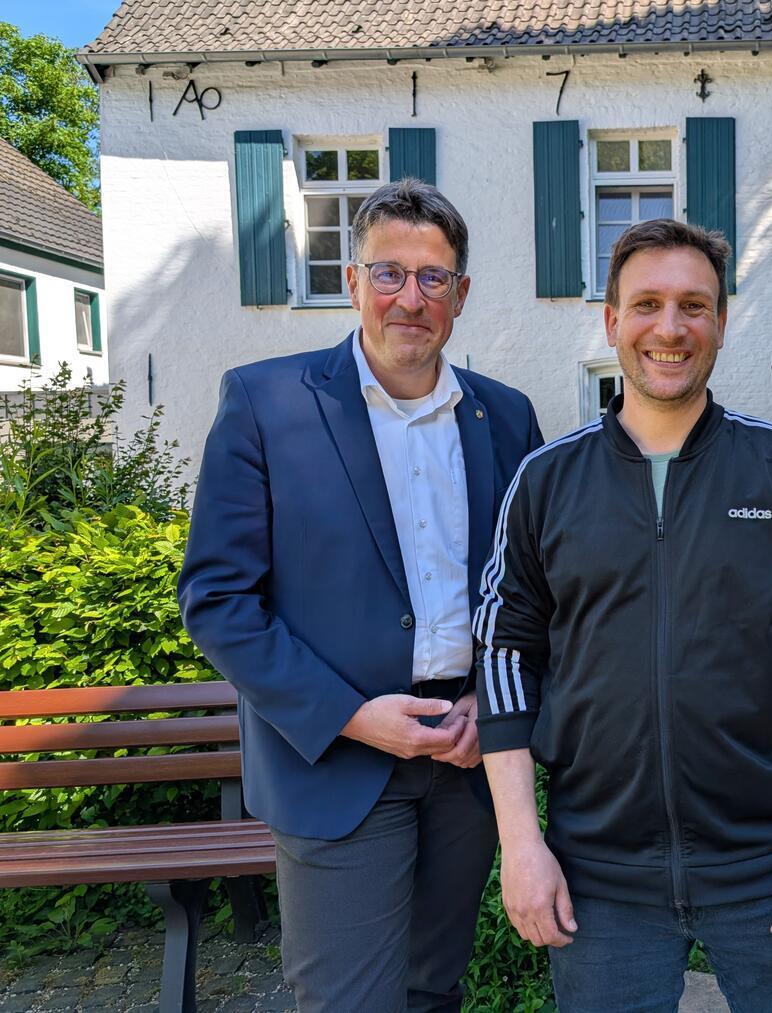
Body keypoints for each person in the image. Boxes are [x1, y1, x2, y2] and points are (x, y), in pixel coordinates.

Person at [472, 219, 772, 1011]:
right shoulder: (545, 480)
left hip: (770, 866)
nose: (670, 327)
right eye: (647, 303)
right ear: (612, 321)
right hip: (599, 876)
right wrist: (520, 845)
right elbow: (504, 653)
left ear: (722, 323)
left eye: (694, 305)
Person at [178, 178, 542, 1012]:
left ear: (461, 295)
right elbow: (219, 598)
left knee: (433, 990)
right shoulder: (266, 403)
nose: (410, 298)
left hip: (465, 758)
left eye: (433, 278)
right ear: (352, 282)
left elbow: (532, 593)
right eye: (389, 273)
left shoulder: (508, 418)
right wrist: (349, 713)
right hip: (336, 760)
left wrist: (495, 702)